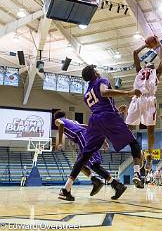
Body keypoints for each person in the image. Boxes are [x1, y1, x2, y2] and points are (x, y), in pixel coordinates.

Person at [58, 65, 143, 201]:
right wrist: (128, 93)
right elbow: (104, 93)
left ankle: (66, 189)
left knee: (84, 156)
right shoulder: (101, 80)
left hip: (95, 120)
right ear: (94, 73)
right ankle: (137, 174)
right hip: (107, 117)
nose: (98, 71)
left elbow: (100, 105)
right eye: (96, 70)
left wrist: (116, 110)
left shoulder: (86, 94)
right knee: (133, 143)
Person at [125, 38, 162, 172]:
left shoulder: (157, 73)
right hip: (137, 98)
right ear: (144, 66)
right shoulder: (139, 71)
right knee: (128, 128)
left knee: (150, 131)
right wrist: (145, 45)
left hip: (150, 100)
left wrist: (157, 44)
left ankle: (149, 155)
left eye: (152, 63)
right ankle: (138, 154)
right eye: (147, 62)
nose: (149, 63)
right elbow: (134, 53)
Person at [54, 110, 107, 197]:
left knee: (89, 163)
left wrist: (60, 142)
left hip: (81, 136)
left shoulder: (58, 120)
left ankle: (111, 182)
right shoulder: (73, 121)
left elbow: (61, 125)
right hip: (85, 135)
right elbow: (86, 126)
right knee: (80, 164)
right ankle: (95, 180)